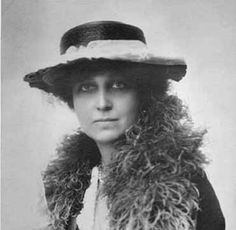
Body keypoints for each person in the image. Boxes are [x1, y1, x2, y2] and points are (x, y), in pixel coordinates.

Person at [24, 21, 225, 230]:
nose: (102, 103)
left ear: (143, 94)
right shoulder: (64, 189)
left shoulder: (183, 185)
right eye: (86, 87)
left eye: (119, 85)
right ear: (71, 99)